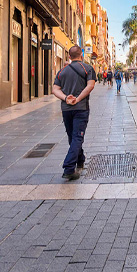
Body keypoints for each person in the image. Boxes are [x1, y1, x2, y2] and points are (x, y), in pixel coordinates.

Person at [52, 45, 96, 180]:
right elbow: (91, 85)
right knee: (77, 137)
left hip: (66, 109)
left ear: (69, 57)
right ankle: (69, 168)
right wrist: (78, 99)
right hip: (81, 108)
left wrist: (66, 98)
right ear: (81, 56)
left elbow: (55, 89)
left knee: (72, 136)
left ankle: (80, 159)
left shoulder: (62, 71)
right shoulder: (87, 68)